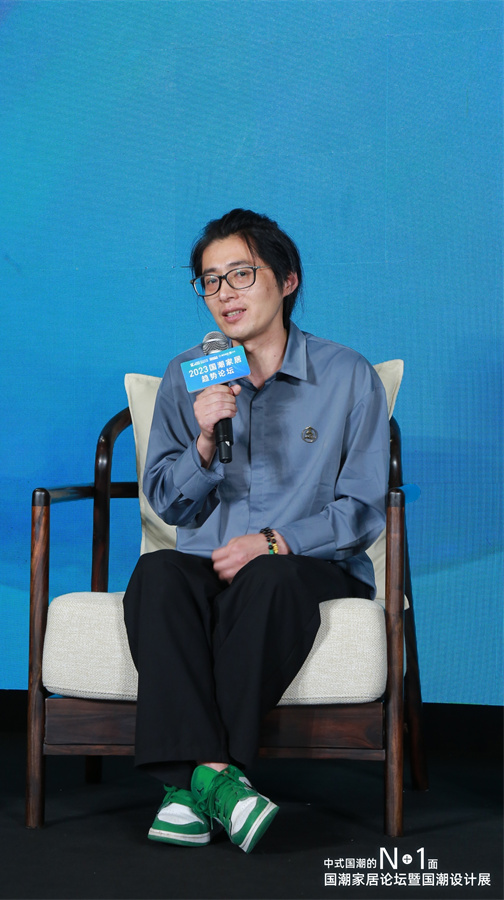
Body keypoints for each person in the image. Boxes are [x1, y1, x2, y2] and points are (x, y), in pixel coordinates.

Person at [123, 208, 389, 853]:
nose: (225, 293)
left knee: (268, 577)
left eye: (241, 274)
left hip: (306, 567)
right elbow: (168, 504)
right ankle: (218, 781)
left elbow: (363, 508)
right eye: (210, 281)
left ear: (287, 280)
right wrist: (204, 440)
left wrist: (273, 541)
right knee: (157, 572)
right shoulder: (189, 374)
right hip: (209, 561)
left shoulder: (347, 375)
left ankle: (189, 785)